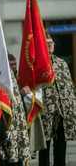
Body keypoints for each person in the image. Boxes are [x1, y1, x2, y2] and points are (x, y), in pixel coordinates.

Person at [38, 35, 76, 166]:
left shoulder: (62, 63)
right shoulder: (37, 64)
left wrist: (69, 109)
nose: (50, 45)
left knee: (60, 145)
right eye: (47, 43)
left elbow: (69, 87)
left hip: (61, 113)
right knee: (44, 147)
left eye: (51, 42)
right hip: (45, 113)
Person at [0, 69, 31, 166]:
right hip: (5, 123)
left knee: (18, 157)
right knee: (6, 157)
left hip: (18, 123)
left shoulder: (10, 72)